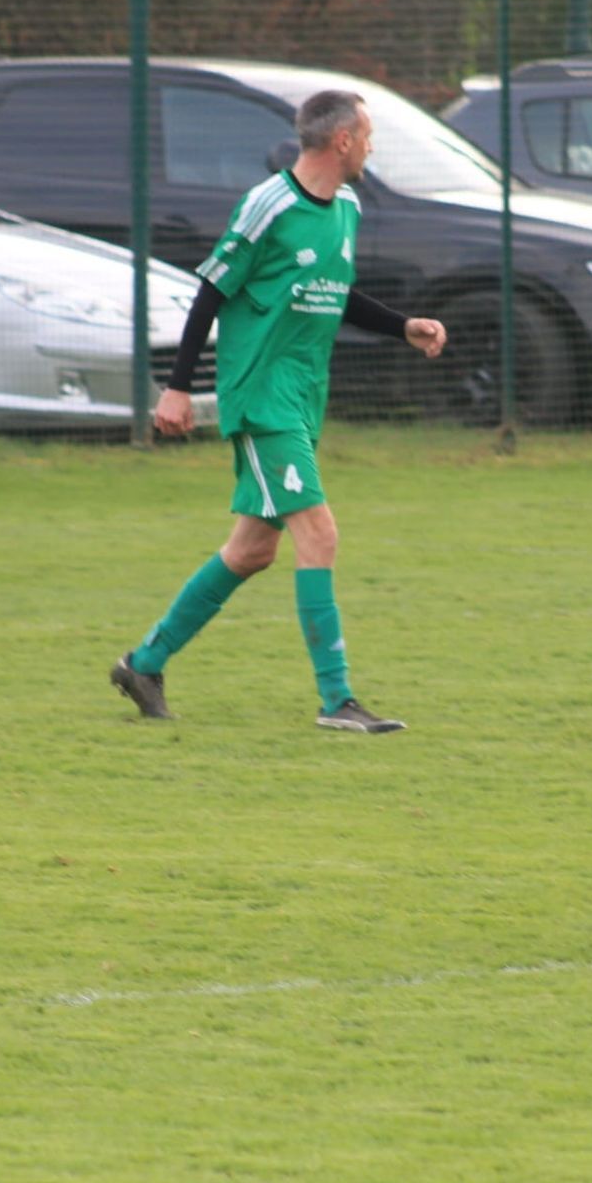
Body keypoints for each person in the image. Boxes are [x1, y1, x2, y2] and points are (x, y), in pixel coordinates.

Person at [110, 90, 447, 733]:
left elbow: (334, 292)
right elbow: (211, 289)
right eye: (368, 134)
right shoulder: (268, 205)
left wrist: (403, 327)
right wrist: (177, 389)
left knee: (251, 551)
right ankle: (337, 701)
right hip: (261, 395)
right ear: (342, 140)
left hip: (302, 395)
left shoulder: (346, 207)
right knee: (318, 535)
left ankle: (143, 662)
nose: (373, 146)